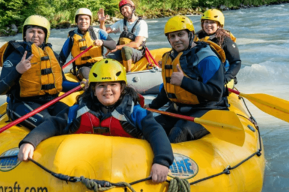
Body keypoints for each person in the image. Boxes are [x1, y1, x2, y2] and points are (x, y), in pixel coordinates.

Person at [17, 59, 174, 183]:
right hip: (84, 169)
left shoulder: (133, 111)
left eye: (113, 85)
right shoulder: (79, 110)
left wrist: (162, 160)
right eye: (101, 86)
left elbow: (155, 130)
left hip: (128, 169)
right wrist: (30, 141)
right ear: (93, 89)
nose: (107, 90)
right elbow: (54, 123)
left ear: (122, 88)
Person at [148, 16, 228, 143]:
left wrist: (184, 81)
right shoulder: (171, 57)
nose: (176, 40)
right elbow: (168, 90)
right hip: (179, 108)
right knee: (149, 127)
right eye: (172, 36)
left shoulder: (207, 58)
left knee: (178, 133)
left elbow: (216, 93)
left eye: (180, 35)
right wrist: (151, 106)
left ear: (190, 34)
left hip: (208, 110)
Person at [0, 15, 80, 129]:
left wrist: (81, 86)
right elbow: (0, 88)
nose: (35, 35)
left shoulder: (52, 55)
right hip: (23, 104)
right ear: (25, 34)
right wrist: (18, 70)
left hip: (51, 103)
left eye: (40, 32)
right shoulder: (16, 55)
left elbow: (62, 84)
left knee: (77, 119)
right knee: (52, 124)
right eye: (31, 31)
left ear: (45, 36)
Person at [59, 8, 116, 80]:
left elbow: (113, 45)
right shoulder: (72, 37)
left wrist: (102, 42)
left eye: (86, 19)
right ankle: (92, 85)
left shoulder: (98, 32)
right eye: (80, 19)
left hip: (99, 64)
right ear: (76, 21)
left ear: (90, 21)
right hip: (83, 68)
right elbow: (62, 57)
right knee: (85, 71)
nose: (83, 21)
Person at [98, 0, 148, 72]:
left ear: (132, 8)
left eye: (126, 8)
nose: (124, 11)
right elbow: (104, 32)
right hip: (122, 52)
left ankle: (128, 72)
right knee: (106, 59)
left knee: (126, 49)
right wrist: (102, 22)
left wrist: (116, 47)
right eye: (122, 9)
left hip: (138, 53)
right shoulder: (121, 23)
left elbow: (137, 44)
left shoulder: (141, 23)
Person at [196, 9, 241, 87]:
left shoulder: (225, 40)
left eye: (212, 22)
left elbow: (236, 62)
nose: (208, 25)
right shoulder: (197, 37)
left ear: (219, 25)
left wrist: (225, 78)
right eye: (206, 22)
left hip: (222, 75)